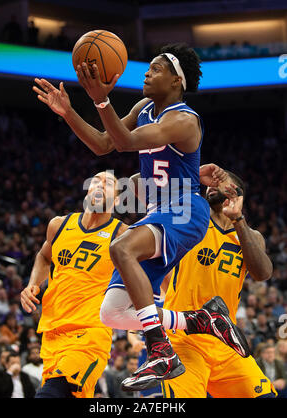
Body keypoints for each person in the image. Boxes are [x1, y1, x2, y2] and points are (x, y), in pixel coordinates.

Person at [32, 43, 250, 391]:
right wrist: (70, 113)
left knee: (120, 247)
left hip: (184, 211)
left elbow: (125, 141)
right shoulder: (144, 107)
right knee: (113, 312)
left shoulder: (183, 119)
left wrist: (101, 100)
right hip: (158, 211)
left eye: (156, 68)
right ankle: (200, 319)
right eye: (147, 68)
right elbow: (105, 144)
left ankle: (160, 349)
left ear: (177, 80)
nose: (146, 73)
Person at [162, 171, 276, 398]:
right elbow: (144, 184)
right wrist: (195, 172)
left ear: (237, 193)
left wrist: (238, 219)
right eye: (211, 182)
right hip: (184, 339)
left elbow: (263, 273)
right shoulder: (188, 221)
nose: (213, 184)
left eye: (222, 181)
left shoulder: (251, 236)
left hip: (226, 341)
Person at [20, 171, 127, 398]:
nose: (99, 185)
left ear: (116, 200)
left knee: (52, 393)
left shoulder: (122, 235)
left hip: (90, 333)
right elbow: (44, 257)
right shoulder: (59, 225)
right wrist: (33, 285)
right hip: (53, 334)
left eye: (107, 184)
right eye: (95, 181)